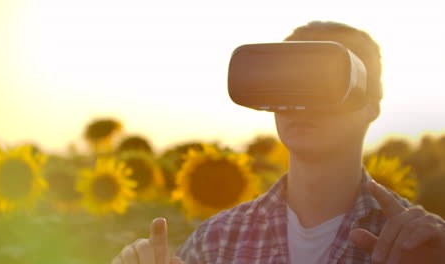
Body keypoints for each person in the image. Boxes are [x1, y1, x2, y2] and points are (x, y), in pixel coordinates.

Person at [112, 21, 445, 264]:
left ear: (371, 106)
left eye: (325, 80)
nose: (303, 101)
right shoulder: (214, 242)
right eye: (289, 83)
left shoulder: (420, 245)